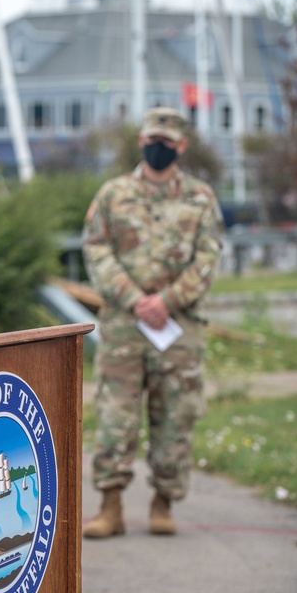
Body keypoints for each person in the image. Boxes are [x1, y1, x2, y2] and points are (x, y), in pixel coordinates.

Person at [82, 106, 224, 538]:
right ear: (140, 141)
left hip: (178, 328)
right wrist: (134, 298)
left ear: (180, 146)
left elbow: (208, 256)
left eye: (165, 142)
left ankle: (164, 502)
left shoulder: (200, 198)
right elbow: (97, 249)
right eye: (151, 140)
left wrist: (167, 300)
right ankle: (110, 506)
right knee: (115, 416)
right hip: (125, 326)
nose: (156, 148)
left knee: (175, 417)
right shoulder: (114, 194)